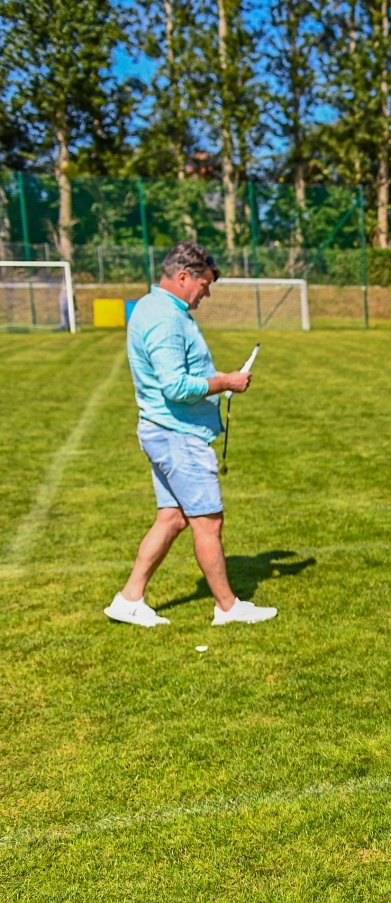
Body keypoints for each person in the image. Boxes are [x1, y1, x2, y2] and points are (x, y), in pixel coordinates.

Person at [105, 241, 277, 628]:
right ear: (183, 277)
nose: (207, 293)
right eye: (205, 285)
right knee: (208, 521)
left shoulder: (153, 307)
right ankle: (228, 607)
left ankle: (129, 599)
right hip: (176, 433)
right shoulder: (166, 319)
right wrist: (226, 381)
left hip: (162, 429)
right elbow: (176, 386)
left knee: (172, 518)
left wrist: (219, 384)